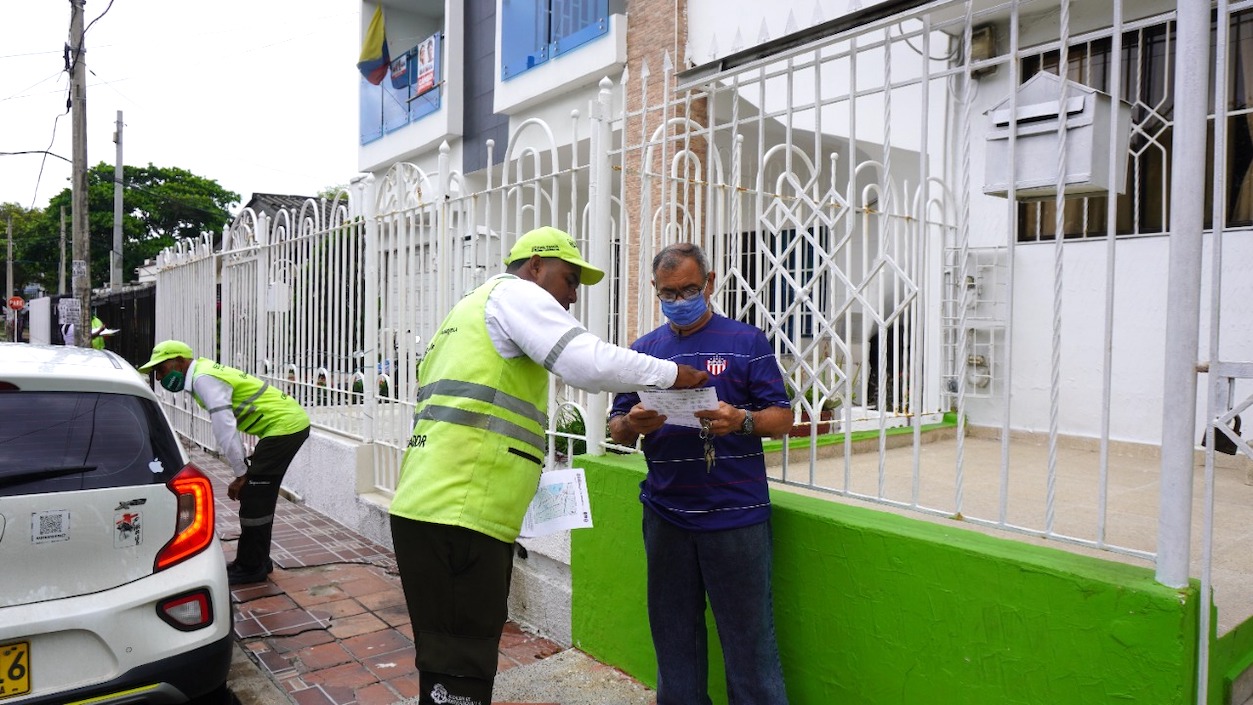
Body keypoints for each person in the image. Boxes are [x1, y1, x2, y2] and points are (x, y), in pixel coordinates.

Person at [389, 226, 709, 705]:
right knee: (463, 666)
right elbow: (585, 362)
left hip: (431, 506)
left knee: (446, 658)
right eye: (569, 280)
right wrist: (671, 374)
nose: (573, 296)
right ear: (536, 266)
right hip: (460, 514)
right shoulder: (515, 295)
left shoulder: (467, 309)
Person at [608, 242, 793, 705]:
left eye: (690, 288)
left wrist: (742, 421)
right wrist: (631, 424)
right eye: (669, 292)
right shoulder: (644, 352)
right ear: (655, 290)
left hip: (736, 517)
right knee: (674, 638)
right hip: (666, 514)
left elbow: (783, 418)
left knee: (748, 640)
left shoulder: (746, 342)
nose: (680, 299)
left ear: (709, 284)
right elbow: (617, 428)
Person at [138, 340, 311, 585]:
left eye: (161, 368)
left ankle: (252, 567)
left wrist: (241, 474)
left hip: (285, 427)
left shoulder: (203, 379)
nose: (159, 376)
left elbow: (225, 428)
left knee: (255, 495)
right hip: (284, 425)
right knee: (259, 493)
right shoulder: (203, 373)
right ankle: (257, 559)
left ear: (179, 360)